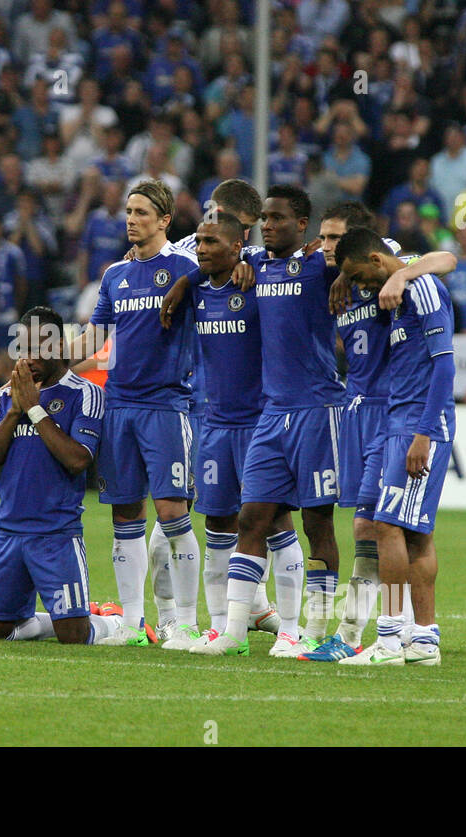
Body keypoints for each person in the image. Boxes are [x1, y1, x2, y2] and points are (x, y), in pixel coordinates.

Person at [166, 185, 344, 658]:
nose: (268, 225)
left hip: (316, 408)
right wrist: (185, 283)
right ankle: (234, 632)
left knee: (316, 523)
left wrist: (361, 271)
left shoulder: (320, 265)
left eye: (278, 218)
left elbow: (386, 254)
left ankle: (312, 630)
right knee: (251, 519)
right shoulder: (254, 268)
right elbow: (205, 264)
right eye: (264, 218)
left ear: (302, 225)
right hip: (271, 414)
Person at [305, 201, 456, 662]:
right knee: (402, 531)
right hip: (391, 416)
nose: (361, 288)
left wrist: (424, 433)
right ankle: (421, 638)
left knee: (387, 526)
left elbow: (445, 364)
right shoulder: (366, 286)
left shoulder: (416, 284)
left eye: (361, 277)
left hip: (411, 422)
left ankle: (390, 636)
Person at [69, 179, 201, 648]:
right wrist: (46, 366)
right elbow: (93, 341)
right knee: (125, 514)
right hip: (119, 407)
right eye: (128, 211)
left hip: (165, 406)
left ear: (165, 220)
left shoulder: (187, 269)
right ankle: (132, 623)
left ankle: (185, 621)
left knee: (172, 513)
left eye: (142, 212)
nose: (131, 219)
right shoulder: (114, 276)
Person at [0, 306, 127, 644]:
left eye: (38, 348)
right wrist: (15, 410)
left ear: (59, 347)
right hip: (8, 533)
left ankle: (116, 622)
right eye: (24, 349)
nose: (29, 358)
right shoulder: (6, 395)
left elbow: (77, 460)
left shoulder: (85, 394)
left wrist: (34, 409)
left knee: (74, 636)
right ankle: (38, 622)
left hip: (56, 535)